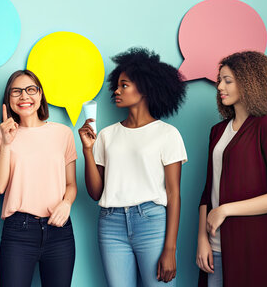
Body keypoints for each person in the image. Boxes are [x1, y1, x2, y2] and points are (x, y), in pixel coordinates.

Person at [79, 47, 187, 286]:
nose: (116, 91)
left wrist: (170, 248)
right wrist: (87, 150)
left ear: (145, 88)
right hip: (110, 224)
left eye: (124, 85)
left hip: (152, 223)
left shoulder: (167, 134)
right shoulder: (106, 135)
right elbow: (96, 192)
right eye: (116, 85)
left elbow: (173, 193)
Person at [196, 51, 267, 287]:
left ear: (251, 83)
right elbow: (207, 190)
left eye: (227, 80)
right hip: (215, 245)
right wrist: (202, 239)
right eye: (220, 80)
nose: (220, 86)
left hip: (255, 244)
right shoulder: (218, 131)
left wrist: (225, 210)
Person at [0, 70, 77, 287]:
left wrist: (67, 203)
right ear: (8, 100)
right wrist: (7, 143)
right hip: (18, 230)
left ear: (40, 95)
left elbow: (71, 184)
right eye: (16, 92)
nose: (24, 96)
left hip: (60, 230)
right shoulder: (0, 135)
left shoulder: (63, 133)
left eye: (31, 90)